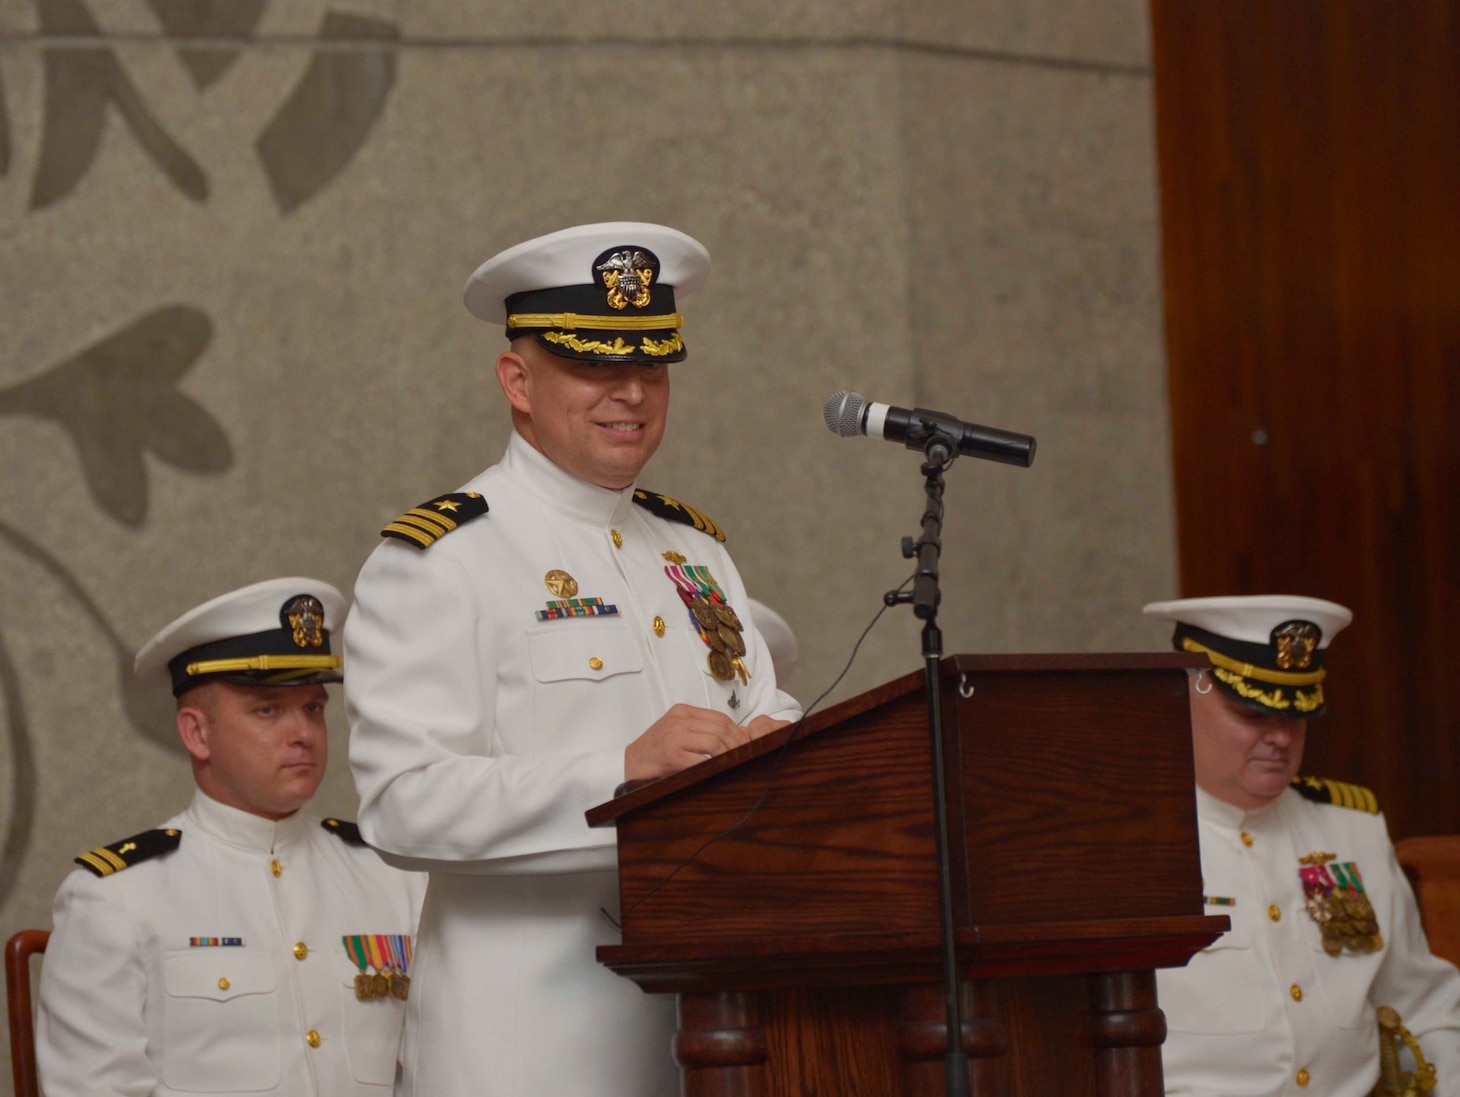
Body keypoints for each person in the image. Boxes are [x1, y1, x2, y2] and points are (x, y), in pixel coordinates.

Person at [344, 222, 802, 1097]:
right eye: (595, 364)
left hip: (715, 1028)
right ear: (517, 379)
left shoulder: (694, 551)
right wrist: (622, 775)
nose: (630, 392)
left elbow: (761, 707)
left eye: (653, 365)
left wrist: (777, 742)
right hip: (529, 1045)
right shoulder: (444, 556)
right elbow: (401, 803)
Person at [36, 577, 425, 1097]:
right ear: (197, 733)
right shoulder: (114, 898)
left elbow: (439, 1067)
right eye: (267, 710)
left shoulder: (392, 874)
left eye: (312, 708)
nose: (303, 733)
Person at [1145, 594, 1460, 1096]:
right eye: (1251, 711)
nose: (1280, 737)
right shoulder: (1127, 840)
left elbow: (1422, 1010)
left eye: (1295, 715)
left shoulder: (1350, 828)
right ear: (1186, 694)